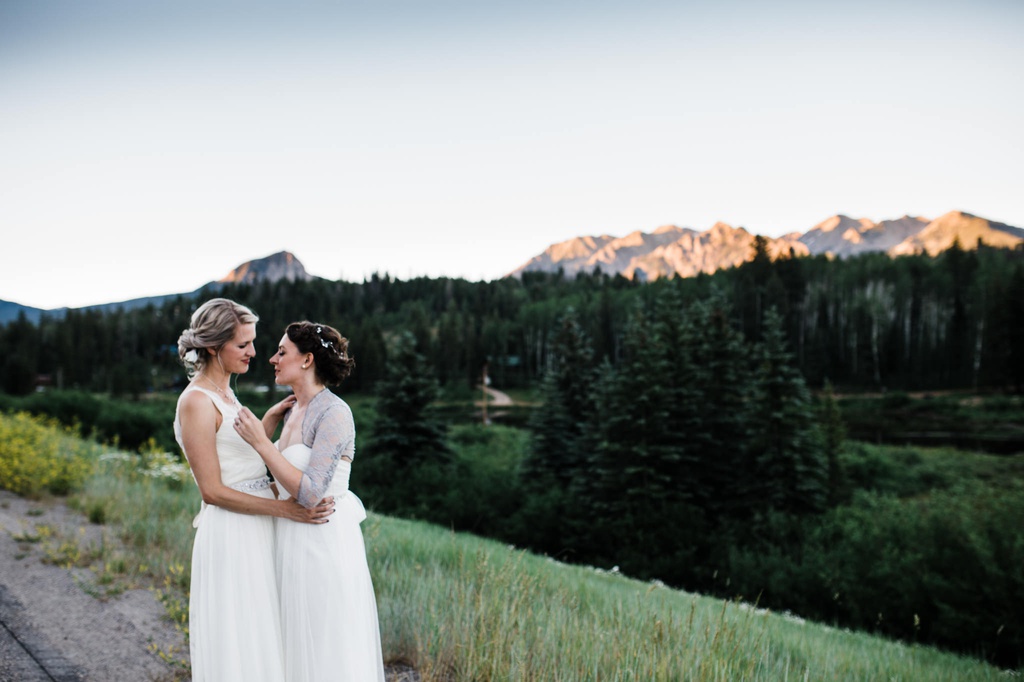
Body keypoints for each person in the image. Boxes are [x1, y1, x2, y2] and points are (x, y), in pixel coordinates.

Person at [173, 299, 335, 682]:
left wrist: (267, 423)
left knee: (263, 632)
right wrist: (290, 511)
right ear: (213, 347)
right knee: (242, 637)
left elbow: (237, 458)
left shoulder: (226, 393)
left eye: (253, 342)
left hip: (256, 526)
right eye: (243, 344)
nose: (254, 352)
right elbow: (212, 489)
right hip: (232, 532)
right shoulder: (196, 401)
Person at [233, 321, 386, 682]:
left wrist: (261, 443)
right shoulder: (289, 411)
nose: (271, 358)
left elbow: (312, 491)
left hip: (323, 544)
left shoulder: (334, 413)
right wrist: (267, 426)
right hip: (288, 540)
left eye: (282, 351)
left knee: (324, 644)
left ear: (307, 360)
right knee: (291, 642)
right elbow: (274, 483)